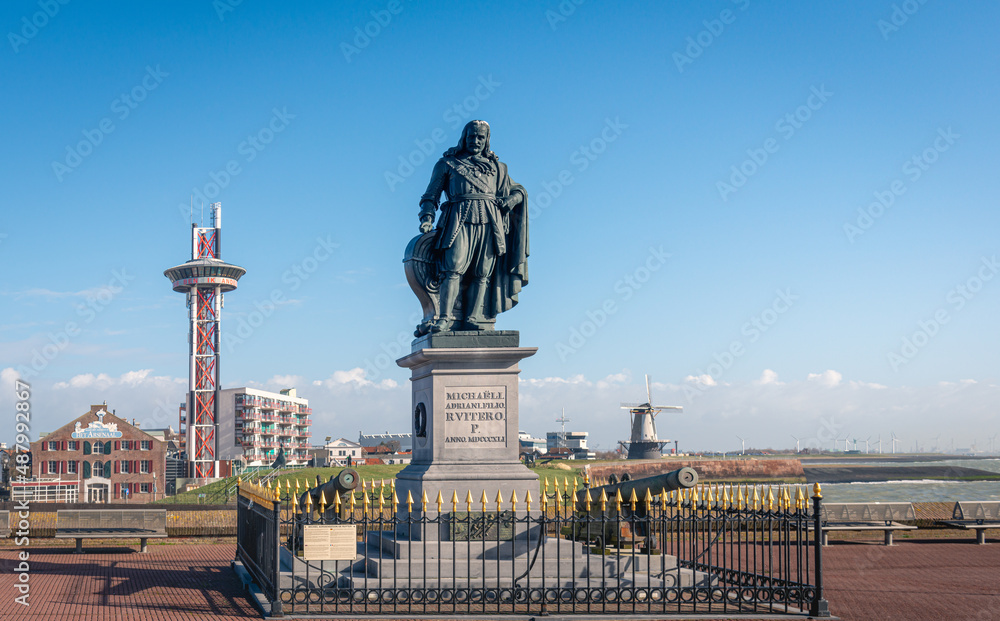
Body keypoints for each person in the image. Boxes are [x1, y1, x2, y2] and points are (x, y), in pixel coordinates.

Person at [418, 120, 529, 332]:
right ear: (464, 138)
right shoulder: (447, 164)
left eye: (481, 137)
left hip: (490, 222)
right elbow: (430, 196)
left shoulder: (498, 168)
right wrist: (427, 217)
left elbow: (518, 190)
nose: (476, 141)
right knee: (453, 267)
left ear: (487, 140)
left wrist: (511, 201)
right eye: (472, 136)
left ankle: (474, 317)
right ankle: (444, 318)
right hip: (457, 221)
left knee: (482, 273)